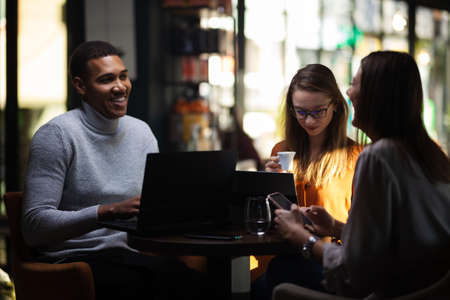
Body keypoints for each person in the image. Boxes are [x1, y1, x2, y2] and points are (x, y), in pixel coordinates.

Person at [22, 40, 205, 300]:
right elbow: (33, 226)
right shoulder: (57, 135)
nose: (120, 87)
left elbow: (152, 209)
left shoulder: (140, 132)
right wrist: (106, 212)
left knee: (197, 281)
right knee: (161, 284)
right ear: (80, 86)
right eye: (107, 79)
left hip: (127, 255)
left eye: (123, 77)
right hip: (71, 261)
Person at [273, 51, 450, 298]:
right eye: (301, 111)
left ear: (376, 96)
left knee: (276, 281)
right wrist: (335, 226)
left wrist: (301, 236)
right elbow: (397, 245)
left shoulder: (377, 157)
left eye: (355, 83)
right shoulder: (430, 155)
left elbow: (353, 274)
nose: (348, 93)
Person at [252, 64, 361, 298]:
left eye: (318, 111)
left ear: (336, 107)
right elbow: (269, 221)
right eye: (301, 112)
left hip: (328, 258)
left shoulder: (356, 157)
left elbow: (363, 232)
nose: (309, 121)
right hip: (283, 255)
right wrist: (268, 186)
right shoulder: (281, 151)